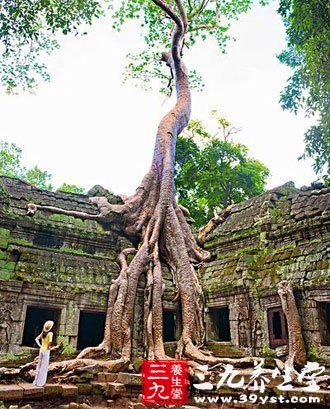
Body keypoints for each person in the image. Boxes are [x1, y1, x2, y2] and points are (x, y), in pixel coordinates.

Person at [33, 320, 54, 387]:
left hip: (41, 350)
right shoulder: (50, 333)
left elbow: (36, 339)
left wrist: (40, 345)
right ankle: (41, 383)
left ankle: (35, 382)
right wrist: (48, 347)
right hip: (46, 351)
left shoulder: (43, 332)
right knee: (44, 367)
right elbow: (50, 341)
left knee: (39, 365)